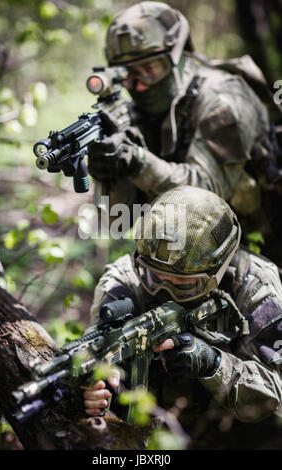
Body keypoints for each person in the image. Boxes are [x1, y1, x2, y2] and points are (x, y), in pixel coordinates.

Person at [83, 185, 282, 449]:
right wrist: (96, 391)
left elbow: (273, 394)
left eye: (184, 284)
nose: (165, 293)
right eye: (155, 279)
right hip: (155, 436)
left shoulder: (256, 287)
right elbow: (99, 353)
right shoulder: (123, 281)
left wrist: (212, 363)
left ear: (217, 272)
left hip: (238, 435)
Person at [87, 1, 282, 265]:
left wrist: (137, 162)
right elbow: (118, 222)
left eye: (152, 68)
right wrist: (109, 175)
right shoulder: (136, 115)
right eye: (128, 75)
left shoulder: (223, 99)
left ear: (178, 57)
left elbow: (206, 195)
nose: (140, 85)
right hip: (187, 266)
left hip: (264, 255)